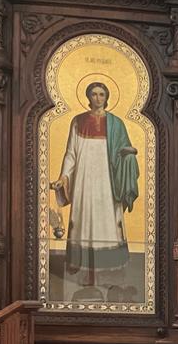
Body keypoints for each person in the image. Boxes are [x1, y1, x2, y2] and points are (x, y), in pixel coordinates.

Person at [50, 81, 139, 278]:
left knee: (108, 218)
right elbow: (71, 153)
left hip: (108, 178)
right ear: (88, 97)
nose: (98, 98)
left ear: (107, 98)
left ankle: (111, 265)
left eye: (101, 94)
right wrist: (63, 176)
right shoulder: (78, 121)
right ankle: (79, 261)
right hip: (84, 178)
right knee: (83, 216)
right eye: (94, 94)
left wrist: (128, 154)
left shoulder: (116, 123)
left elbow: (124, 149)